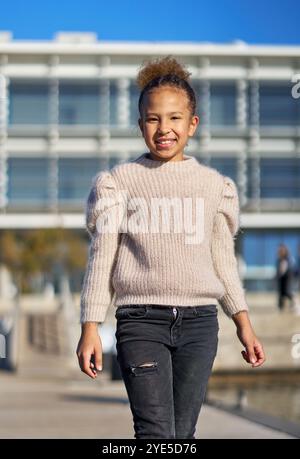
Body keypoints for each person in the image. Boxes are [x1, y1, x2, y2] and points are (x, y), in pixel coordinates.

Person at [76, 56, 266, 439]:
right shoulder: (119, 183)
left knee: (183, 433)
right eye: (153, 118)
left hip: (200, 325)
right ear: (140, 124)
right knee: (156, 435)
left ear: (193, 124)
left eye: (175, 118)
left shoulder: (214, 187)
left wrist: (243, 324)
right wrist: (90, 327)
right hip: (141, 322)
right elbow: (103, 261)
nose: (164, 129)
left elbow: (222, 264)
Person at [276, 244, 298, 311]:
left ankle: (294, 306)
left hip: (288, 280)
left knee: (289, 293)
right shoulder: (279, 260)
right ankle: (281, 308)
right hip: (281, 280)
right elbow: (278, 270)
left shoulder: (289, 259)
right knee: (281, 294)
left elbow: (291, 269)